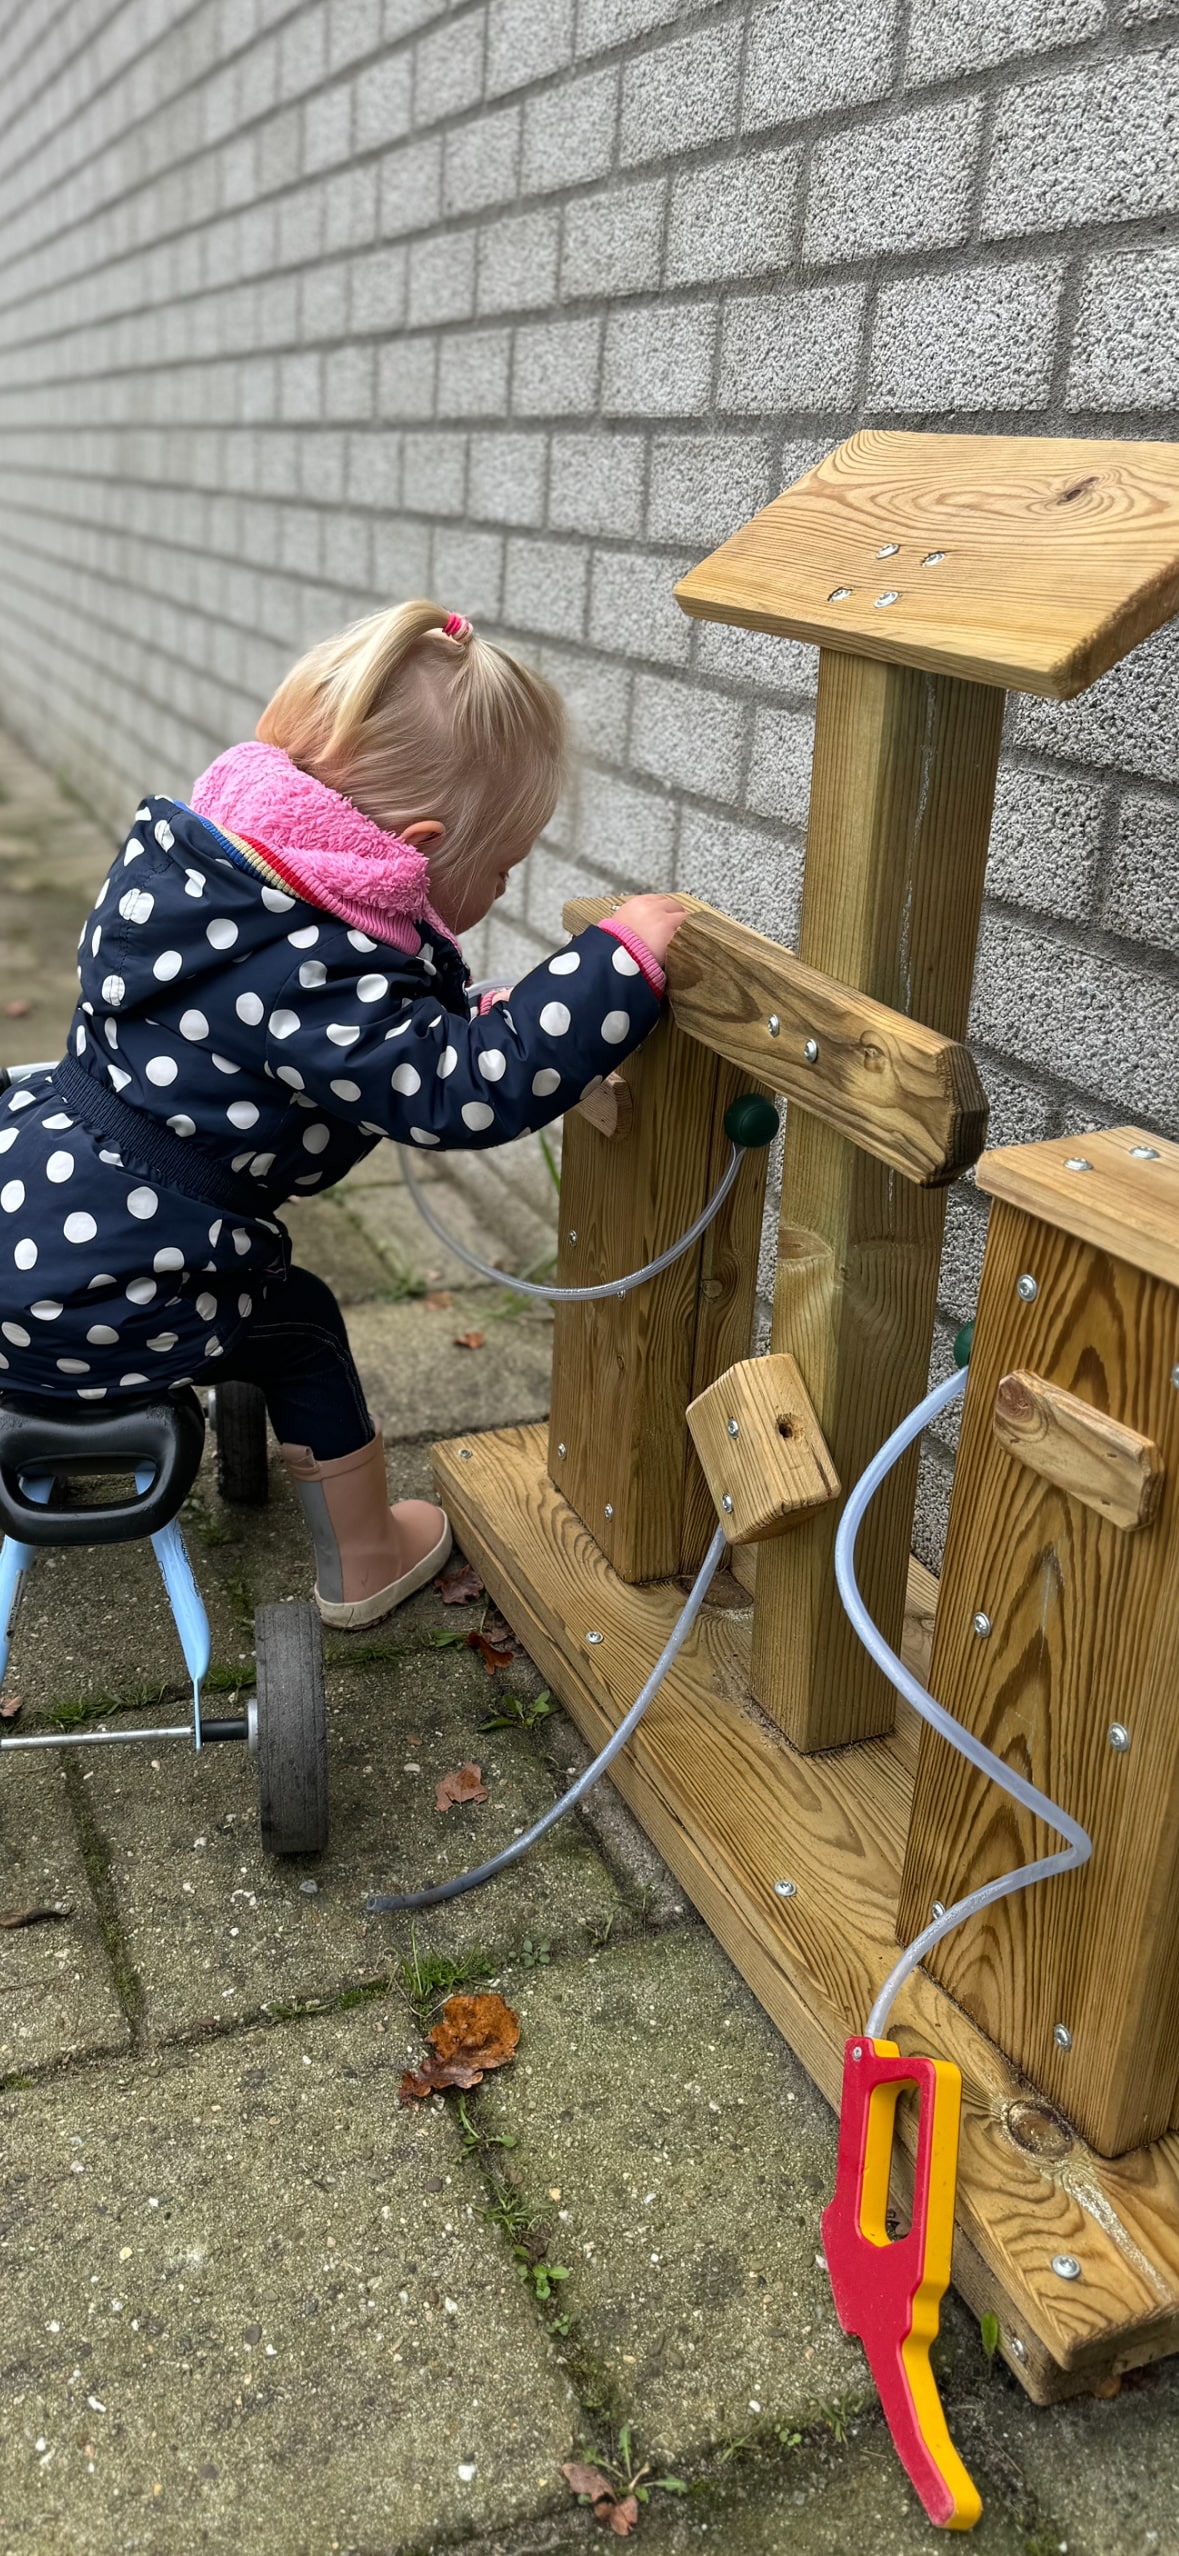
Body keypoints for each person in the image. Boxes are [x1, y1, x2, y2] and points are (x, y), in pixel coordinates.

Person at [0, 602, 686, 1627]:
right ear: (416, 845)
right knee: (305, 1324)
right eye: (501, 868)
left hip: (28, 1210)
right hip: (103, 1297)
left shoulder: (196, 872)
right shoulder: (318, 969)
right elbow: (465, 1085)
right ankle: (365, 1559)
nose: (500, 890)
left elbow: (366, 1029)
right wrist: (615, 967)